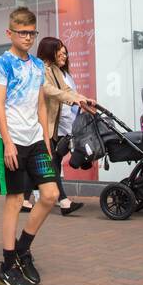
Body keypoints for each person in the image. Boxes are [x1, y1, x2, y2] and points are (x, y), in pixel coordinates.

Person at [0, 7, 58, 285]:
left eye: (32, 33)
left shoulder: (37, 66)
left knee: (51, 194)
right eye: (23, 33)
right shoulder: (2, 63)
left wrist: (46, 138)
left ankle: (23, 249)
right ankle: (7, 266)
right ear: (10, 33)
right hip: (12, 140)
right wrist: (7, 142)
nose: (28, 37)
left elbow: (41, 104)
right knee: (16, 200)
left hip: (36, 141)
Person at [30, 36, 92, 215]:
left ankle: (29, 198)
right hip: (39, 124)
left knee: (50, 162)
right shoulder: (39, 68)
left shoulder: (55, 70)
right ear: (50, 50)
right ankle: (63, 201)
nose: (63, 54)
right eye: (59, 50)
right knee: (49, 163)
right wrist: (73, 100)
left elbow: (66, 90)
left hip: (52, 126)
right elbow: (48, 90)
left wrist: (83, 100)